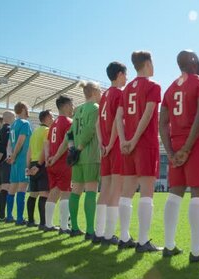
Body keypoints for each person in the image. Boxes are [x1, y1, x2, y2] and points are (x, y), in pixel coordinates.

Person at [159, 50, 199, 263]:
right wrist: (187, 148)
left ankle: (169, 246)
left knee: (174, 194)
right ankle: (197, 251)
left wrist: (171, 152)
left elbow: (162, 123)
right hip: (195, 144)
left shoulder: (169, 89)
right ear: (194, 61)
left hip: (176, 145)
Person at [115, 51, 162, 252]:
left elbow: (119, 117)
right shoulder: (153, 86)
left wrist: (124, 140)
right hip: (144, 143)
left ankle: (124, 237)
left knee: (127, 191)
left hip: (128, 145)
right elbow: (148, 113)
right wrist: (134, 140)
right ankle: (143, 241)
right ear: (148, 63)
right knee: (146, 192)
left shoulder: (126, 90)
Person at [95, 62, 127, 245]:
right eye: (126, 75)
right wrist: (113, 142)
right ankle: (108, 234)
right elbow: (117, 120)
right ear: (120, 74)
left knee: (105, 189)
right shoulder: (119, 94)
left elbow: (98, 123)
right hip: (114, 148)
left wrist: (102, 143)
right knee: (116, 190)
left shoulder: (105, 95)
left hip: (105, 148)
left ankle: (99, 233)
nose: (127, 78)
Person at [65, 82, 102, 240]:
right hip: (89, 154)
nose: (101, 95)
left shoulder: (78, 110)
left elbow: (69, 134)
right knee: (91, 191)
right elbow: (89, 130)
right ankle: (90, 231)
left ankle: (74, 227)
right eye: (100, 91)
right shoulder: (95, 108)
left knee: (76, 191)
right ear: (94, 92)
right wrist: (79, 148)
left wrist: (72, 149)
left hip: (77, 158)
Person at [46, 96, 75, 233]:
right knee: (66, 193)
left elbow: (46, 143)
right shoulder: (69, 122)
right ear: (65, 106)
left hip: (51, 162)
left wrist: (48, 157)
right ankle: (64, 226)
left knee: (54, 192)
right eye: (71, 105)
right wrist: (57, 157)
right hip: (62, 162)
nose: (72, 108)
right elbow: (67, 142)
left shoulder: (53, 124)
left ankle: (48, 224)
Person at [7, 102, 33, 226]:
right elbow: (20, 141)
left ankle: (8, 215)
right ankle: (19, 218)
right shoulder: (25, 123)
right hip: (22, 159)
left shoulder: (13, 125)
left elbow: (9, 143)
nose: (28, 111)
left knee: (12, 187)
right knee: (22, 188)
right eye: (27, 109)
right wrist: (15, 155)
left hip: (14, 160)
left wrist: (10, 156)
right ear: (23, 110)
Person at [26, 110, 53, 227]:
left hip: (32, 163)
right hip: (40, 164)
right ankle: (44, 223)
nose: (53, 118)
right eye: (52, 116)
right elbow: (45, 149)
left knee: (33, 194)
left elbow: (29, 151)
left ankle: (30, 221)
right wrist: (39, 165)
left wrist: (29, 167)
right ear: (46, 118)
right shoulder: (47, 131)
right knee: (44, 194)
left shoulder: (35, 132)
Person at [0, 111, 15, 222]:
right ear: (10, 117)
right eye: (13, 117)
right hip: (5, 161)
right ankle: (5, 215)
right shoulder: (8, 129)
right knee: (6, 188)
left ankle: (0, 214)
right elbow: (5, 145)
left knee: (1, 188)